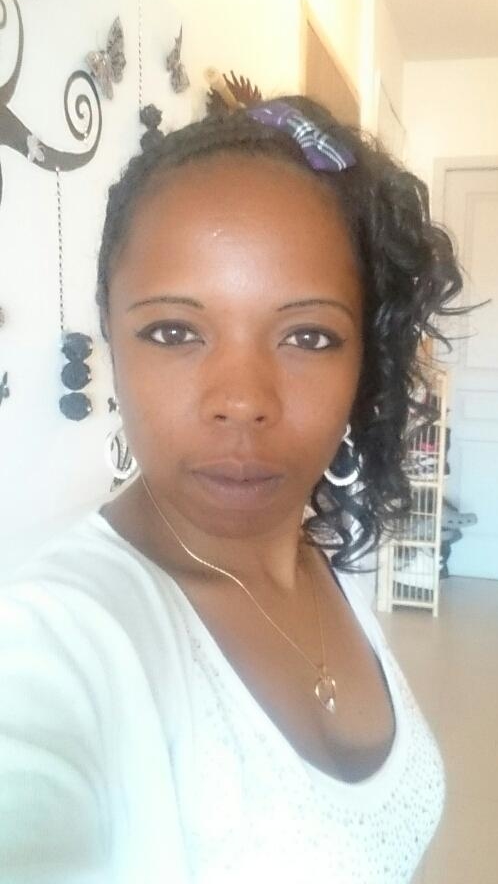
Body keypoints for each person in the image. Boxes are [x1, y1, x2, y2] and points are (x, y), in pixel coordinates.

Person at [0, 96, 464, 883]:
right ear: (110, 330)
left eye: (308, 336)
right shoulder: (54, 639)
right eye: (175, 331)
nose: (243, 401)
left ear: (363, 358)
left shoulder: (320, 555)